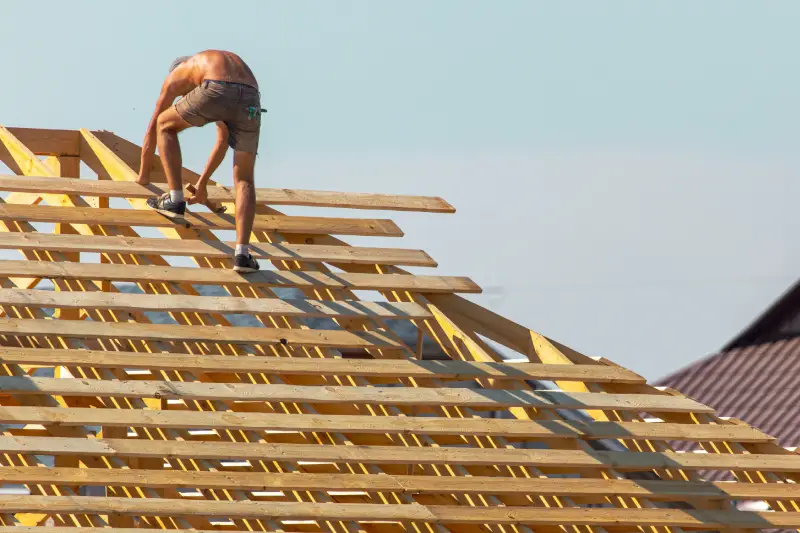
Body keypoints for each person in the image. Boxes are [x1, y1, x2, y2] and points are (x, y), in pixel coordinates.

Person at [137, 50, 262, 273]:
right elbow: (222, 141)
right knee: (244, 179)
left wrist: (143, 176)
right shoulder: (214, 66)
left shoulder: (178, 74)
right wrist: (202, 183)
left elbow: (153, 126)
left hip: (218, 88)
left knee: (164, 124)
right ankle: (242, 255)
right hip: (250, 97)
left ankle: (175, 200)